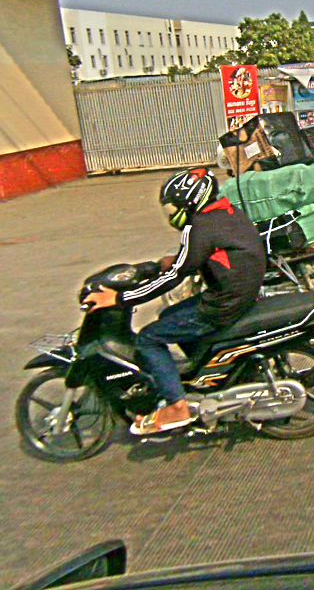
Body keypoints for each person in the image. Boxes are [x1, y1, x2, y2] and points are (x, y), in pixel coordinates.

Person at [84, 168, 267, 435]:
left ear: (190, 202)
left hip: (222, 305)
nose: (171, 215)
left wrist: (120, 298)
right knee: (168, 316)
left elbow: (172, 278)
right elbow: (204, 254)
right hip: (239, 295)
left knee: (148, 338)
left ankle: (176, 406)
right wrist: (178, 260)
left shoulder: (200, 228)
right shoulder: (226, 213)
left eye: (173, 208)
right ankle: (200, 375)